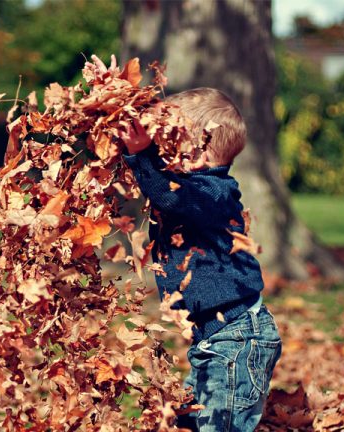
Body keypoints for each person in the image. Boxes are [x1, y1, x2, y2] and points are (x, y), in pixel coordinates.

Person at [83, 53, 280, 430]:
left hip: (237, 341)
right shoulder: (196, 187)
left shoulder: (214, 193)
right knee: (187, 421)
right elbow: (162, 184)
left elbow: (170, 194)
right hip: (215, 340)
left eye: (171, 141)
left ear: (200, 150)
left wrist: (142, 156)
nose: (162, 150)